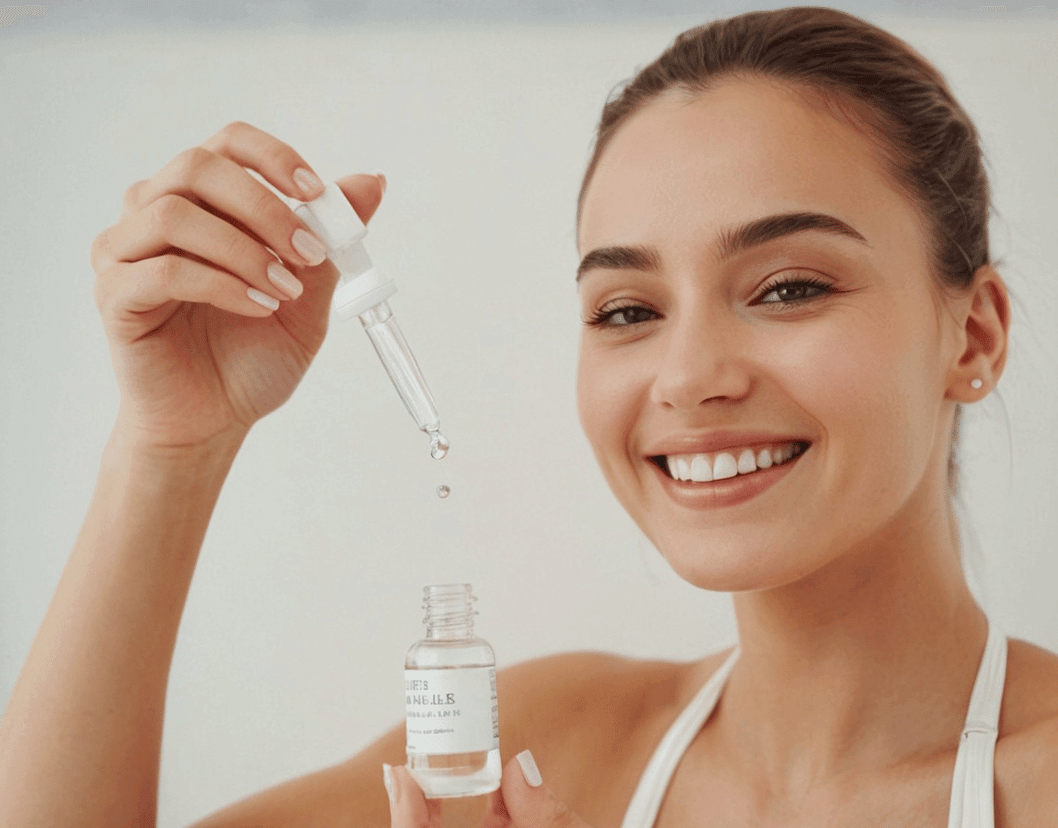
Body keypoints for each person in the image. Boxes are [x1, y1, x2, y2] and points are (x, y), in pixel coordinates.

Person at [1, 6, 1056, 827]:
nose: (687, 376)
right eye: (627, 309)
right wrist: (170, 447)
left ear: (971, 336)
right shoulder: (536, 752)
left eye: (786, 287)